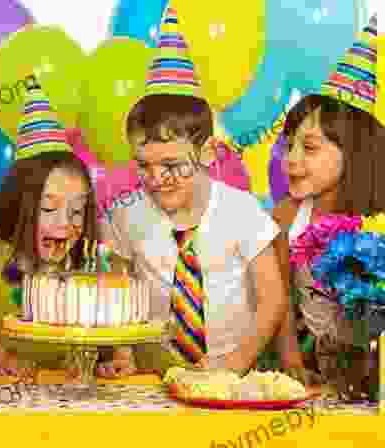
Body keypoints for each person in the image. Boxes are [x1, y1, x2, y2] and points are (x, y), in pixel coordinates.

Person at [97, 8, 296, 379]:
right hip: (153, 376)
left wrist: (234, 365)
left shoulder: (242, 212)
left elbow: (272, 300)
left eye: (171, 165)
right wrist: (123, 354)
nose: (156, 179)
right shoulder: (126, 215)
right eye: (143, 165)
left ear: (207, 153)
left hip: (231, 376)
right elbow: (117, 289)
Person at [0, 84, 101, 377]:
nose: (65, 223)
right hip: (6, 385)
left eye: (77, 211)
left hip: (64, 385)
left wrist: (111, 355)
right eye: (48, 209)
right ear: (19, 204)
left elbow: (105, 318)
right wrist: (1, 358)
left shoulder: (84, 255)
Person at [272, 16, 384, 395]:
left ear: (352, 151)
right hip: (317, 373)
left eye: (310, 147)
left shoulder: (377, 223)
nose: (291, 159)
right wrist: (290, 363)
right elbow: (281, 301)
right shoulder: (286, 216)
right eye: (289, 145)